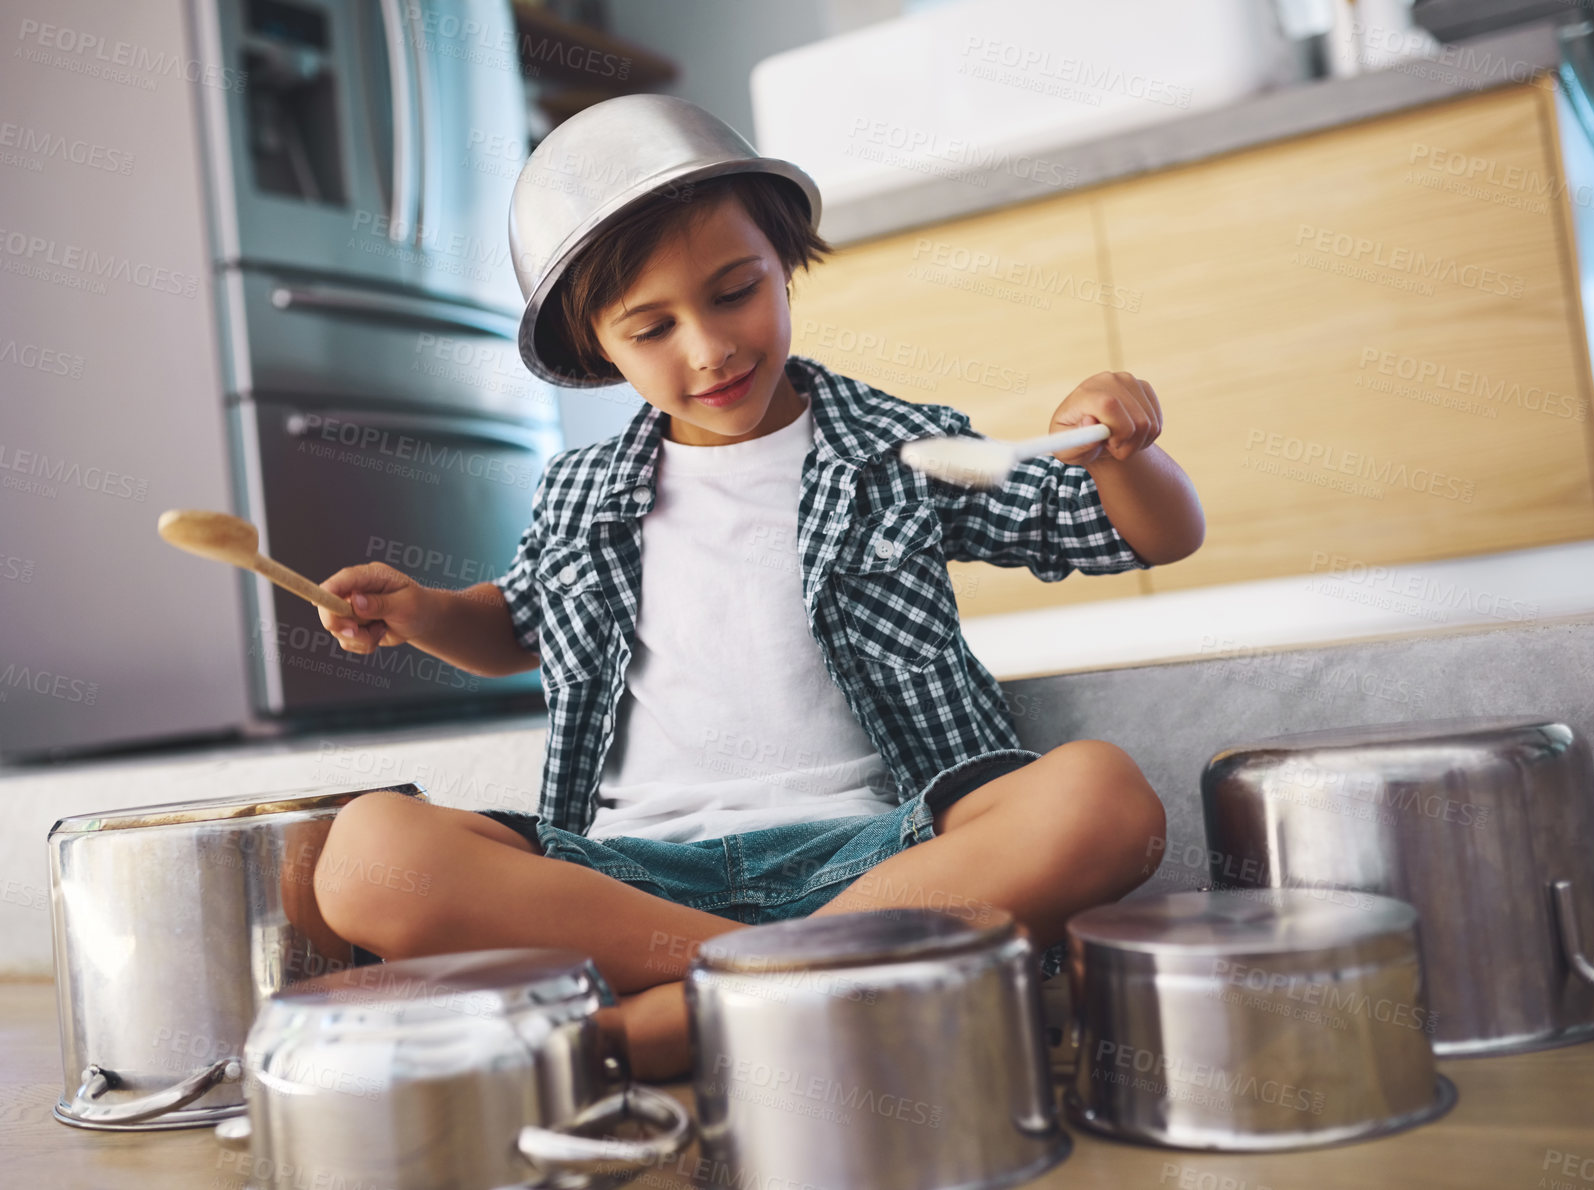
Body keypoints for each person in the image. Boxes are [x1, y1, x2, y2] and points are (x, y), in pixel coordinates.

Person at [310, 96, 1203, 1081]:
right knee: (366, 852)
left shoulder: (903, 451)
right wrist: (423, 611)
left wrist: (1124, 452)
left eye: (734, 292)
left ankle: (676, 1016)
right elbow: (515, 626)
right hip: (626, 881)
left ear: (783, 262)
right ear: (595, 346)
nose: (709, 348)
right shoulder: (576, 491)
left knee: (1103, 797)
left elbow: (1146, 532)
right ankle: (782, 986)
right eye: (651, 327)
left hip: (879, 858)